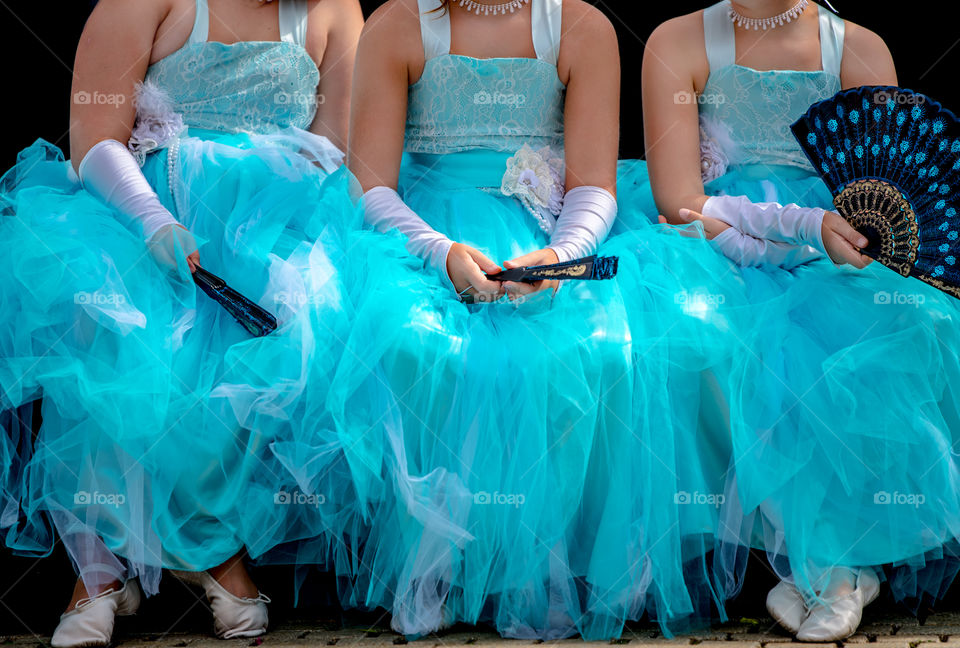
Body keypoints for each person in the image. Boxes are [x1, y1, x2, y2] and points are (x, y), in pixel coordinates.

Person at [327, 0, 751, 639]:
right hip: (422, 239)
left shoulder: (581, 28)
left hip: (543, 235)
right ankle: (435, 558)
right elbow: (373, 186)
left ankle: (550, 565)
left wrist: (560, 256)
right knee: (419, 344)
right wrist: (438, 251)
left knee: (596, 351)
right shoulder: (397, 25)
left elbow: (593, 186)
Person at [0, 0, 364, 644]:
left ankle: (213, 544)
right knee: (103, 317)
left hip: (275, 223)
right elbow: (92, 136)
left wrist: (284, 226)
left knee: (303, 324)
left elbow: (338, 145)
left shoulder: (334, 9)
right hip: (143, 218)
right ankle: (100, 564)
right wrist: (153, 219)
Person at [631, 0, 960, 641]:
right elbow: (679, 203)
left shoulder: (856, 48)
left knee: (887, 327)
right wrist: (790, 235)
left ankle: (839, 557)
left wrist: (823, 242)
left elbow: (876, 198)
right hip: (717, 242)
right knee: (705, 334)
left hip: (835, 254)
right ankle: (828, 564)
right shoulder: (677, 42)